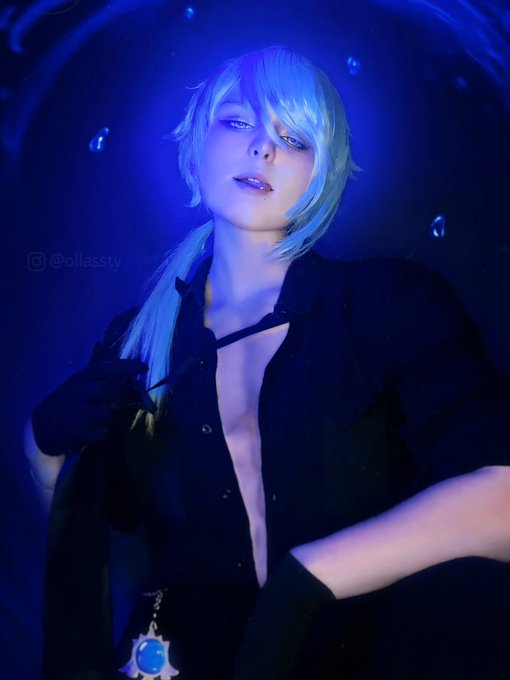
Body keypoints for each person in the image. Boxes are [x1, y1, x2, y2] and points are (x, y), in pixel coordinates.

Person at [26, 44, 510, 680]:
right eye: (236, 121)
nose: (262, 148)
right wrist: (43, 444)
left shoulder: (390, 304)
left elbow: (502, 500)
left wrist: (303, 582)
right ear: (195, 144)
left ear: (325, 171)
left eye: (294, 138)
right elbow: (100, 539)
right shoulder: (137, 340)